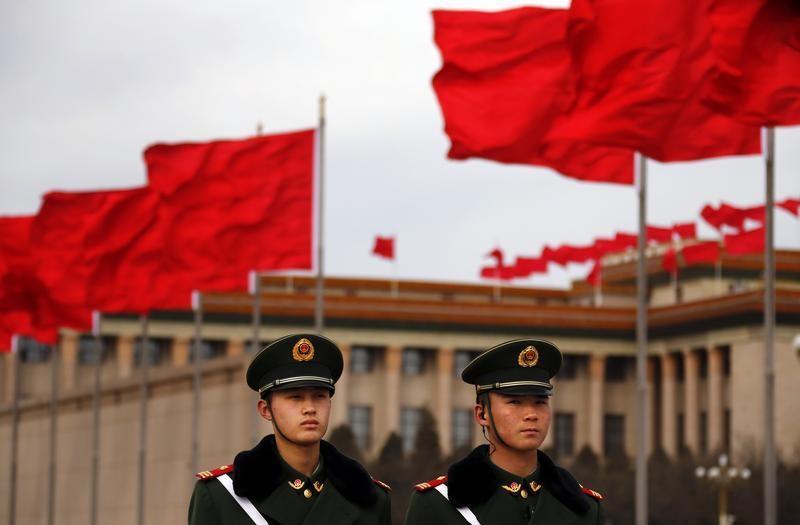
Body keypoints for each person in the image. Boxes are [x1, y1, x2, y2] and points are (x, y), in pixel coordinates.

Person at [189, 334, 391, 524]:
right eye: (295, 397)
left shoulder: (369, 498)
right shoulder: (222, 495)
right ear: (265, 409)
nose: (310, 408)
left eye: (319, 396)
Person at [404, 338, 604, 525]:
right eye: (515, 402)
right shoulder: (438, 504)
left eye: (540, 402)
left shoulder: (584, 508)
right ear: (482, 414)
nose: (531, 414)